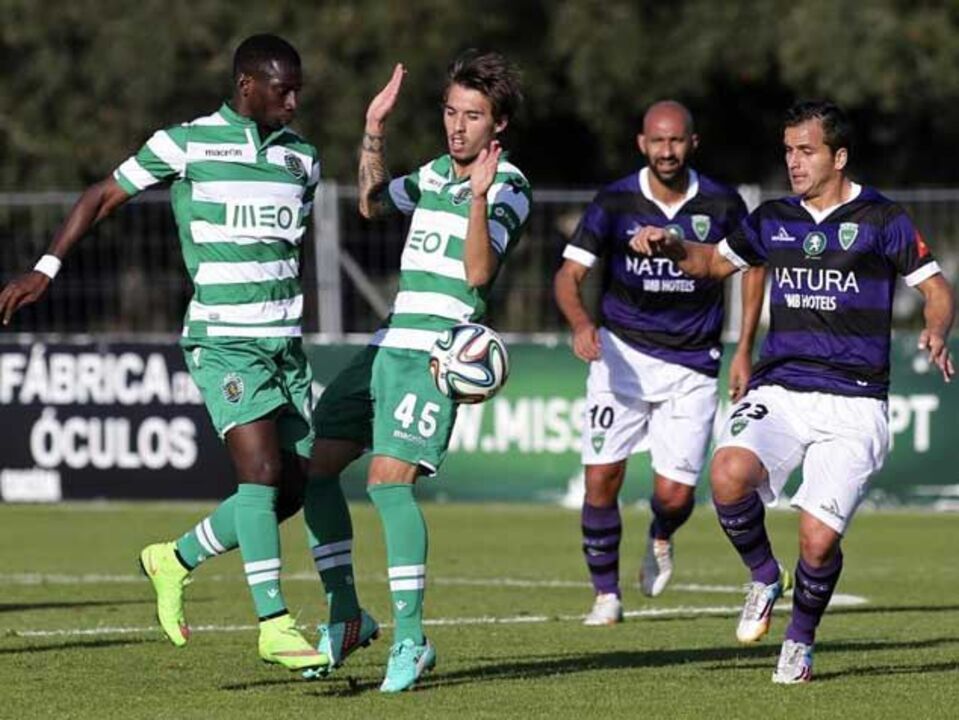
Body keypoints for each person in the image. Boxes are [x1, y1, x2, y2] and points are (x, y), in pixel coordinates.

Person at [0, 34, 327, 672]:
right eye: (281, 90)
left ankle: (171, 560)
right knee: (258, 477)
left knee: (290, 490)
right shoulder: (186, 143)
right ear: (246, 87)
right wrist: (46, 269)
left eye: (297, 90)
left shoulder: (303, 161)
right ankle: (274, 625)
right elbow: (100, 196)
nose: (293, 101)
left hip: (284, 344)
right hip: (223, 341)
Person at [630, 100, 954, 683]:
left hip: (854, 401)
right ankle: (762, 574)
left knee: (818, 540)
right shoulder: (772, 218)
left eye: (806, 151)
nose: (795, 162)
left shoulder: (883, 219)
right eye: (788, 151)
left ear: (839, 156)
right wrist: (673, 245)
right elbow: (710, 264)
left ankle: (800, 641)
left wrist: (935, 326)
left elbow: (935, 287)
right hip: (783, 388)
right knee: (727, 473)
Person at [300, 50, 530, 692]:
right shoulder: (432, 171)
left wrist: (480, 199)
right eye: (452, 112)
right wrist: (374, 130)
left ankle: (410, 639)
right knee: (313, 464)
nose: (458, 127)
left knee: (386, 482)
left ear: (498, 125)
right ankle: (346, 616)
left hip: (435, 353)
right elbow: (373, 204)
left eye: (473, 116)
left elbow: (480, 274)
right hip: (386, 343)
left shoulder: (510, 185)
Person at [555, 101, 764, 625]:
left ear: (692, 143)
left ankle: (662, 534)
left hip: (693, 365)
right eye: (656, 141)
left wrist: (743, 349)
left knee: (674, 495)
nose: (665, 151)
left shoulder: (722, 203)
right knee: (601, 478)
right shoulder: (615, 202)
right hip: (619, 358)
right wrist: (581, 323)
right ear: (641, 143)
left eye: (675, 141)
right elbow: (567, 275)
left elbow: (753, 267)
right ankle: (606, 594)